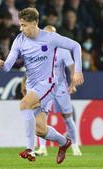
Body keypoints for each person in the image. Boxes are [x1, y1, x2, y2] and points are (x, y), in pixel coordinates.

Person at [0, 7, 84, 164]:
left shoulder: (50, 38)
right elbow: (8, 67)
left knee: (24, 104)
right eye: (20, 25)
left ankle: (30, 149)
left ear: (35, 23)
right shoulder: (19, 40)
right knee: (40, 130)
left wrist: (77, 71)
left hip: (48, 85)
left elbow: (76, 46)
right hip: (32, 87)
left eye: (24, 25)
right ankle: (64, 142)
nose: (21, 29)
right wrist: (1, 65)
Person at [20, 25, 81, 157]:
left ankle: (75, 145)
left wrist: (73, 83)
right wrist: (25, 82)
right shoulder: (38, 49)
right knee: (41, 117)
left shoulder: (63, 50)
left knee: (67, 118)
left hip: (60, 88)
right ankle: (42, 148)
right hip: (44, 88)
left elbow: (71, 67)